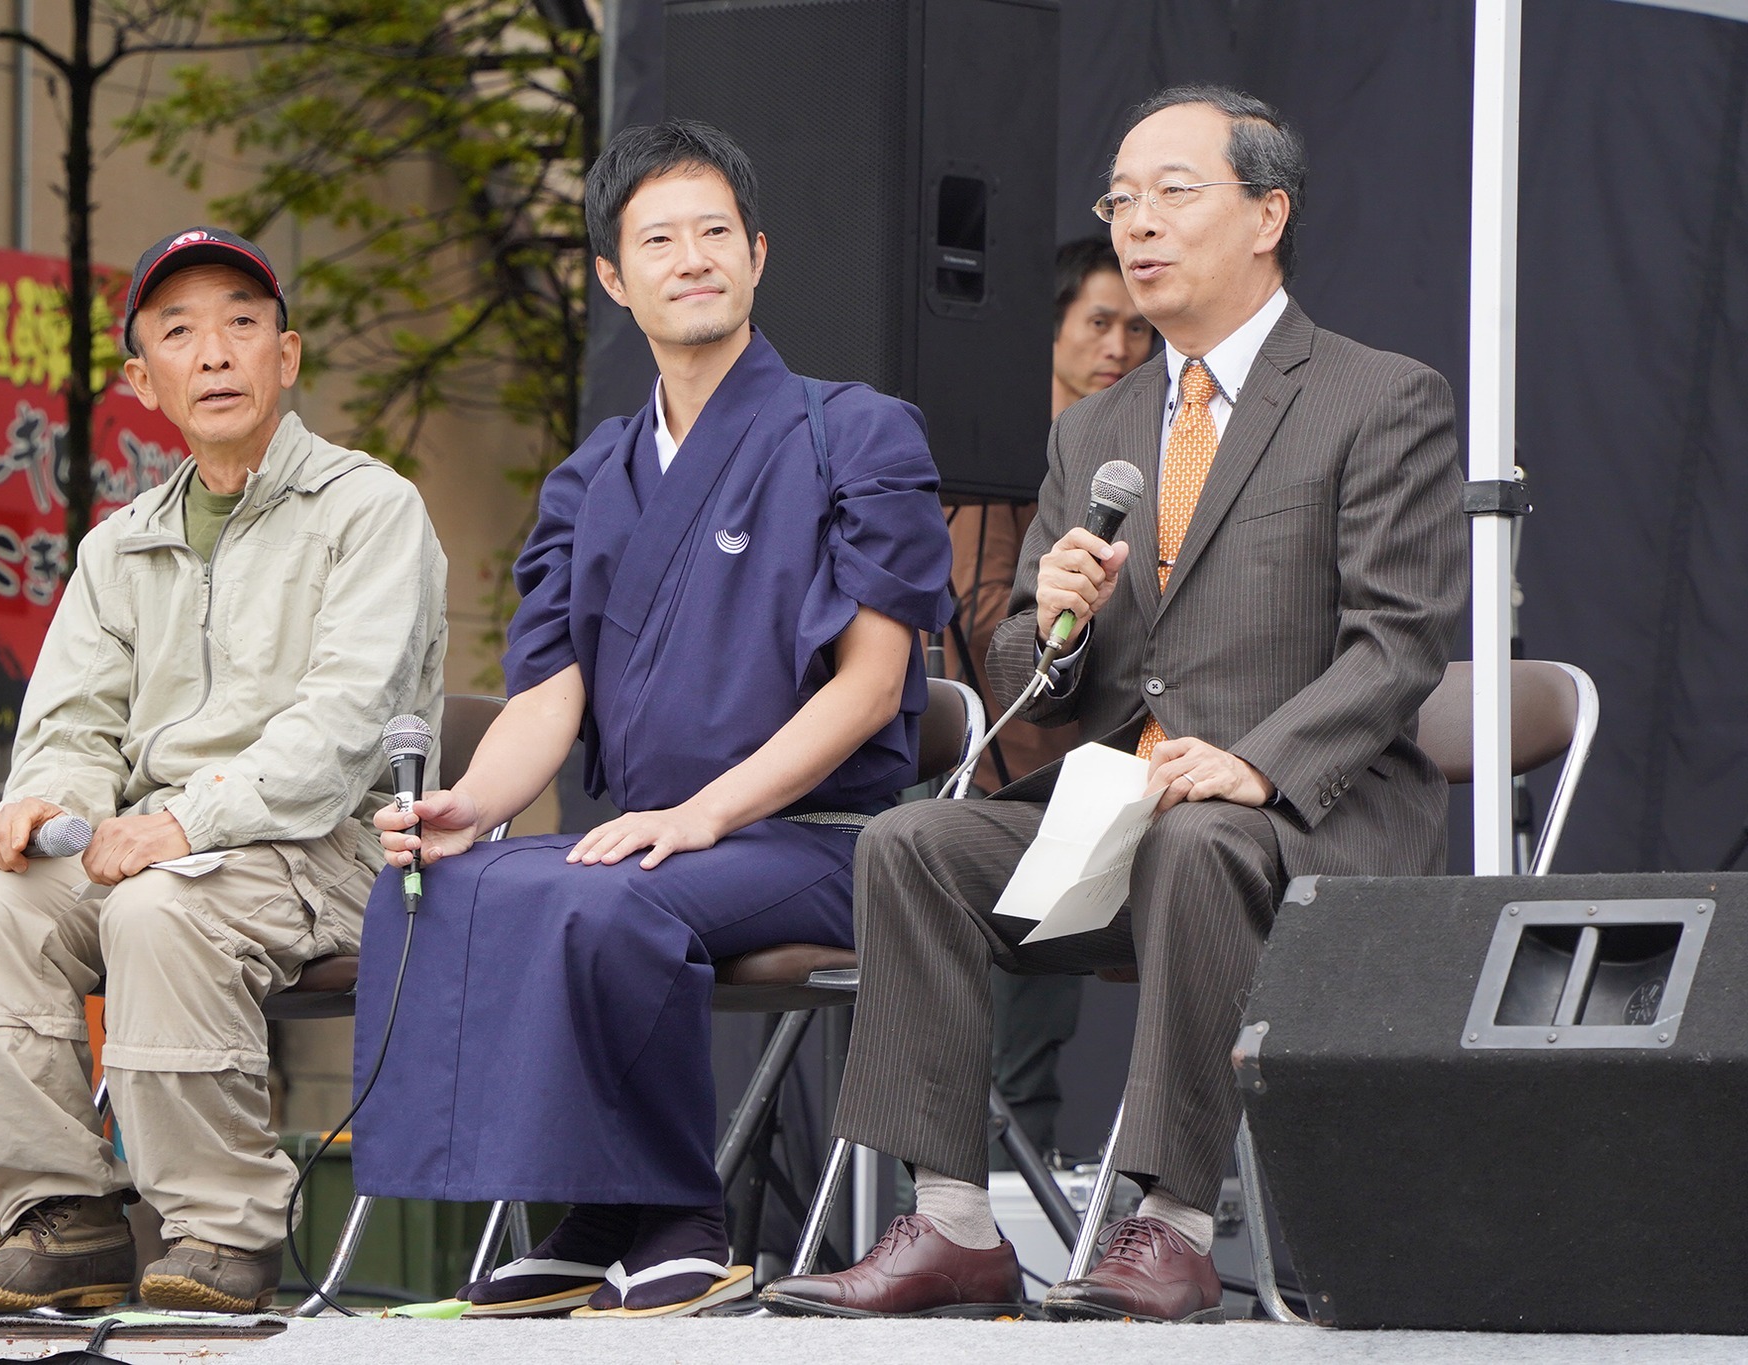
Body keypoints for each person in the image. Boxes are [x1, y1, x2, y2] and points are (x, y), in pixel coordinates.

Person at [762, 85, 1466, 1324]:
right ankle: (952, 1224)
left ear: (1266, 215)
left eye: (1171, 194)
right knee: (913, 842)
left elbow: (1398, 644)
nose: (1136, 225)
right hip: (1123, 806)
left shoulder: (1376, 395)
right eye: (1118, 201)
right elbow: (1037, 677)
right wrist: (1054, 617)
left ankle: (1172, 1225)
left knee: (1197, 835)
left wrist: (1253, 763)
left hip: (1304, 821)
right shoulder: (1096, 429)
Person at [352, 120, 953, 1321]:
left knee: (604, 891)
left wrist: (701, 814)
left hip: (816, 839)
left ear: (757, 257)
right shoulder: (590, 476)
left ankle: (680, 1215)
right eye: (659, 240)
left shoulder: (858, 431)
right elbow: (549, 689)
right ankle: (585, 1209)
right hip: (663, 835)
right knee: (449, 884)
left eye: (715, 234)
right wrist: (472, 805)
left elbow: (872, 684)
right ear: (614, 281)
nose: (692, 259)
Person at [0, 227, 448, 1314]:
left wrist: (187, 822)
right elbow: (70, 724)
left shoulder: (370, 508)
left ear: (286, 356)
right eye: (179, 332)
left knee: (160, 909)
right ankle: (63, 1220)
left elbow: (345, 725)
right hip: (163, 850)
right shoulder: (119, 547)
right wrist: (52, 807)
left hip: (331, 848)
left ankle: (221, 1234)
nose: (213, 354)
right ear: (140, 379)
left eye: (241, 326)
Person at [963, 238, 1155, 1168]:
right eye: (1098, 322)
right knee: (990, 1042)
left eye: (1137, 328)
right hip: (1008, 770)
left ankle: (1029, 1234)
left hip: (1108, 775)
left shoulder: (1156, 451)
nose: (1119, 344)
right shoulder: (997, 466)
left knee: (1034, 1049)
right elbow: (984, 620)